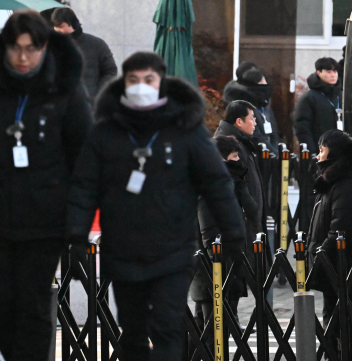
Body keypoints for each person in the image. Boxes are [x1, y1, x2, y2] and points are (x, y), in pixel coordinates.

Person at [66, 51, 245, 361]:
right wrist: (76, 232)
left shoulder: (184, 129)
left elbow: (216, 182)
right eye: (134, 80)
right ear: (123, 83)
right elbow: (84, 185)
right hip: (122, 249)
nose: (141, 86)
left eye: (149, 79)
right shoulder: (106, 132)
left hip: (172, 249)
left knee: (167, 325)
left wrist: (233, 230)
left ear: (162, 82)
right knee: (132, 331)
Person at [0, 11, 91, 361]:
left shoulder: (65, 86)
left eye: (32, 49)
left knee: (33, 302)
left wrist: (78, 224)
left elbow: (85, 157)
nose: (23, 58)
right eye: (16, 48)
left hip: (48, 216)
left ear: (44, 48)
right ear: (5, 47)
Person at [306, 129, 352, 360]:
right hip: (336, 265)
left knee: (342, 322)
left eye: (322, 150)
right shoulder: (337, 180)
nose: (318, 156)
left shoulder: (347, 184)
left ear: (333, 152)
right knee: (337, 319)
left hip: (341, 266)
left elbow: (341, 229)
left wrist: (320, 255)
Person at [190, 135, 259, 343]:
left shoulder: (229, 184)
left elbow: (253, 211)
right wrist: (216, 263)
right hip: (213, 270)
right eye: (235, 156)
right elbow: (208, 229)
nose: (239, 160)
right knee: (209, 331)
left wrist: (241, 185)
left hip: (225, 267)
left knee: (204, 329)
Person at [214, 100, 267, 261]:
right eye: (252, 118)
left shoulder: (240, 141)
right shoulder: (226, 145)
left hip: (248, 221)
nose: (255, 123)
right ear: (239, 121)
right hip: (239, 225)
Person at [51, 7, 117, 103]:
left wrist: (97, 94)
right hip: (59, 103)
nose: (57, 30)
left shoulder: (97, 44)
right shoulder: (52, 45)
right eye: (55, 26)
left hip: (89, 104)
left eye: (61, 26)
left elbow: (111, 71)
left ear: (72, 24)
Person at [223, 65, 280, 156]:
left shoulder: (264, 103)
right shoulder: (244, 106)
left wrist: (275, 151)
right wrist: (273, 154)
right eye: (262, 81)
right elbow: (255, 136)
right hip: (253, 155)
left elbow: (274, 133)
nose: (265, 84)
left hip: (268, 155)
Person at [293, 57, 343, 155]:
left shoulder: (341, 96)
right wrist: (312, 153)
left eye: (335, 71)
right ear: (318, 73)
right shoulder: (309, 98)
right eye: (328, 72)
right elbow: (302, 128)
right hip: (320, 152)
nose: (333, 75)